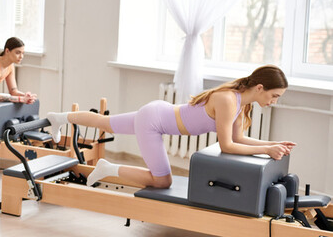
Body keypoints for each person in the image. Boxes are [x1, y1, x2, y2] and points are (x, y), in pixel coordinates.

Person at [46, 65, 297, 189]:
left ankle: (59, 117)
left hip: (157, 113)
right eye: (275, 96)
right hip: (154, 122)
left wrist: (272, 145)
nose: (274, 102)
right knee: (162, 181)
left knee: (105, 123)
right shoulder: (228, 100)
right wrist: (267, 149)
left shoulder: (242, 104)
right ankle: (108, 167)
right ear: (261, 88)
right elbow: (227, 146)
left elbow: (239, 139)